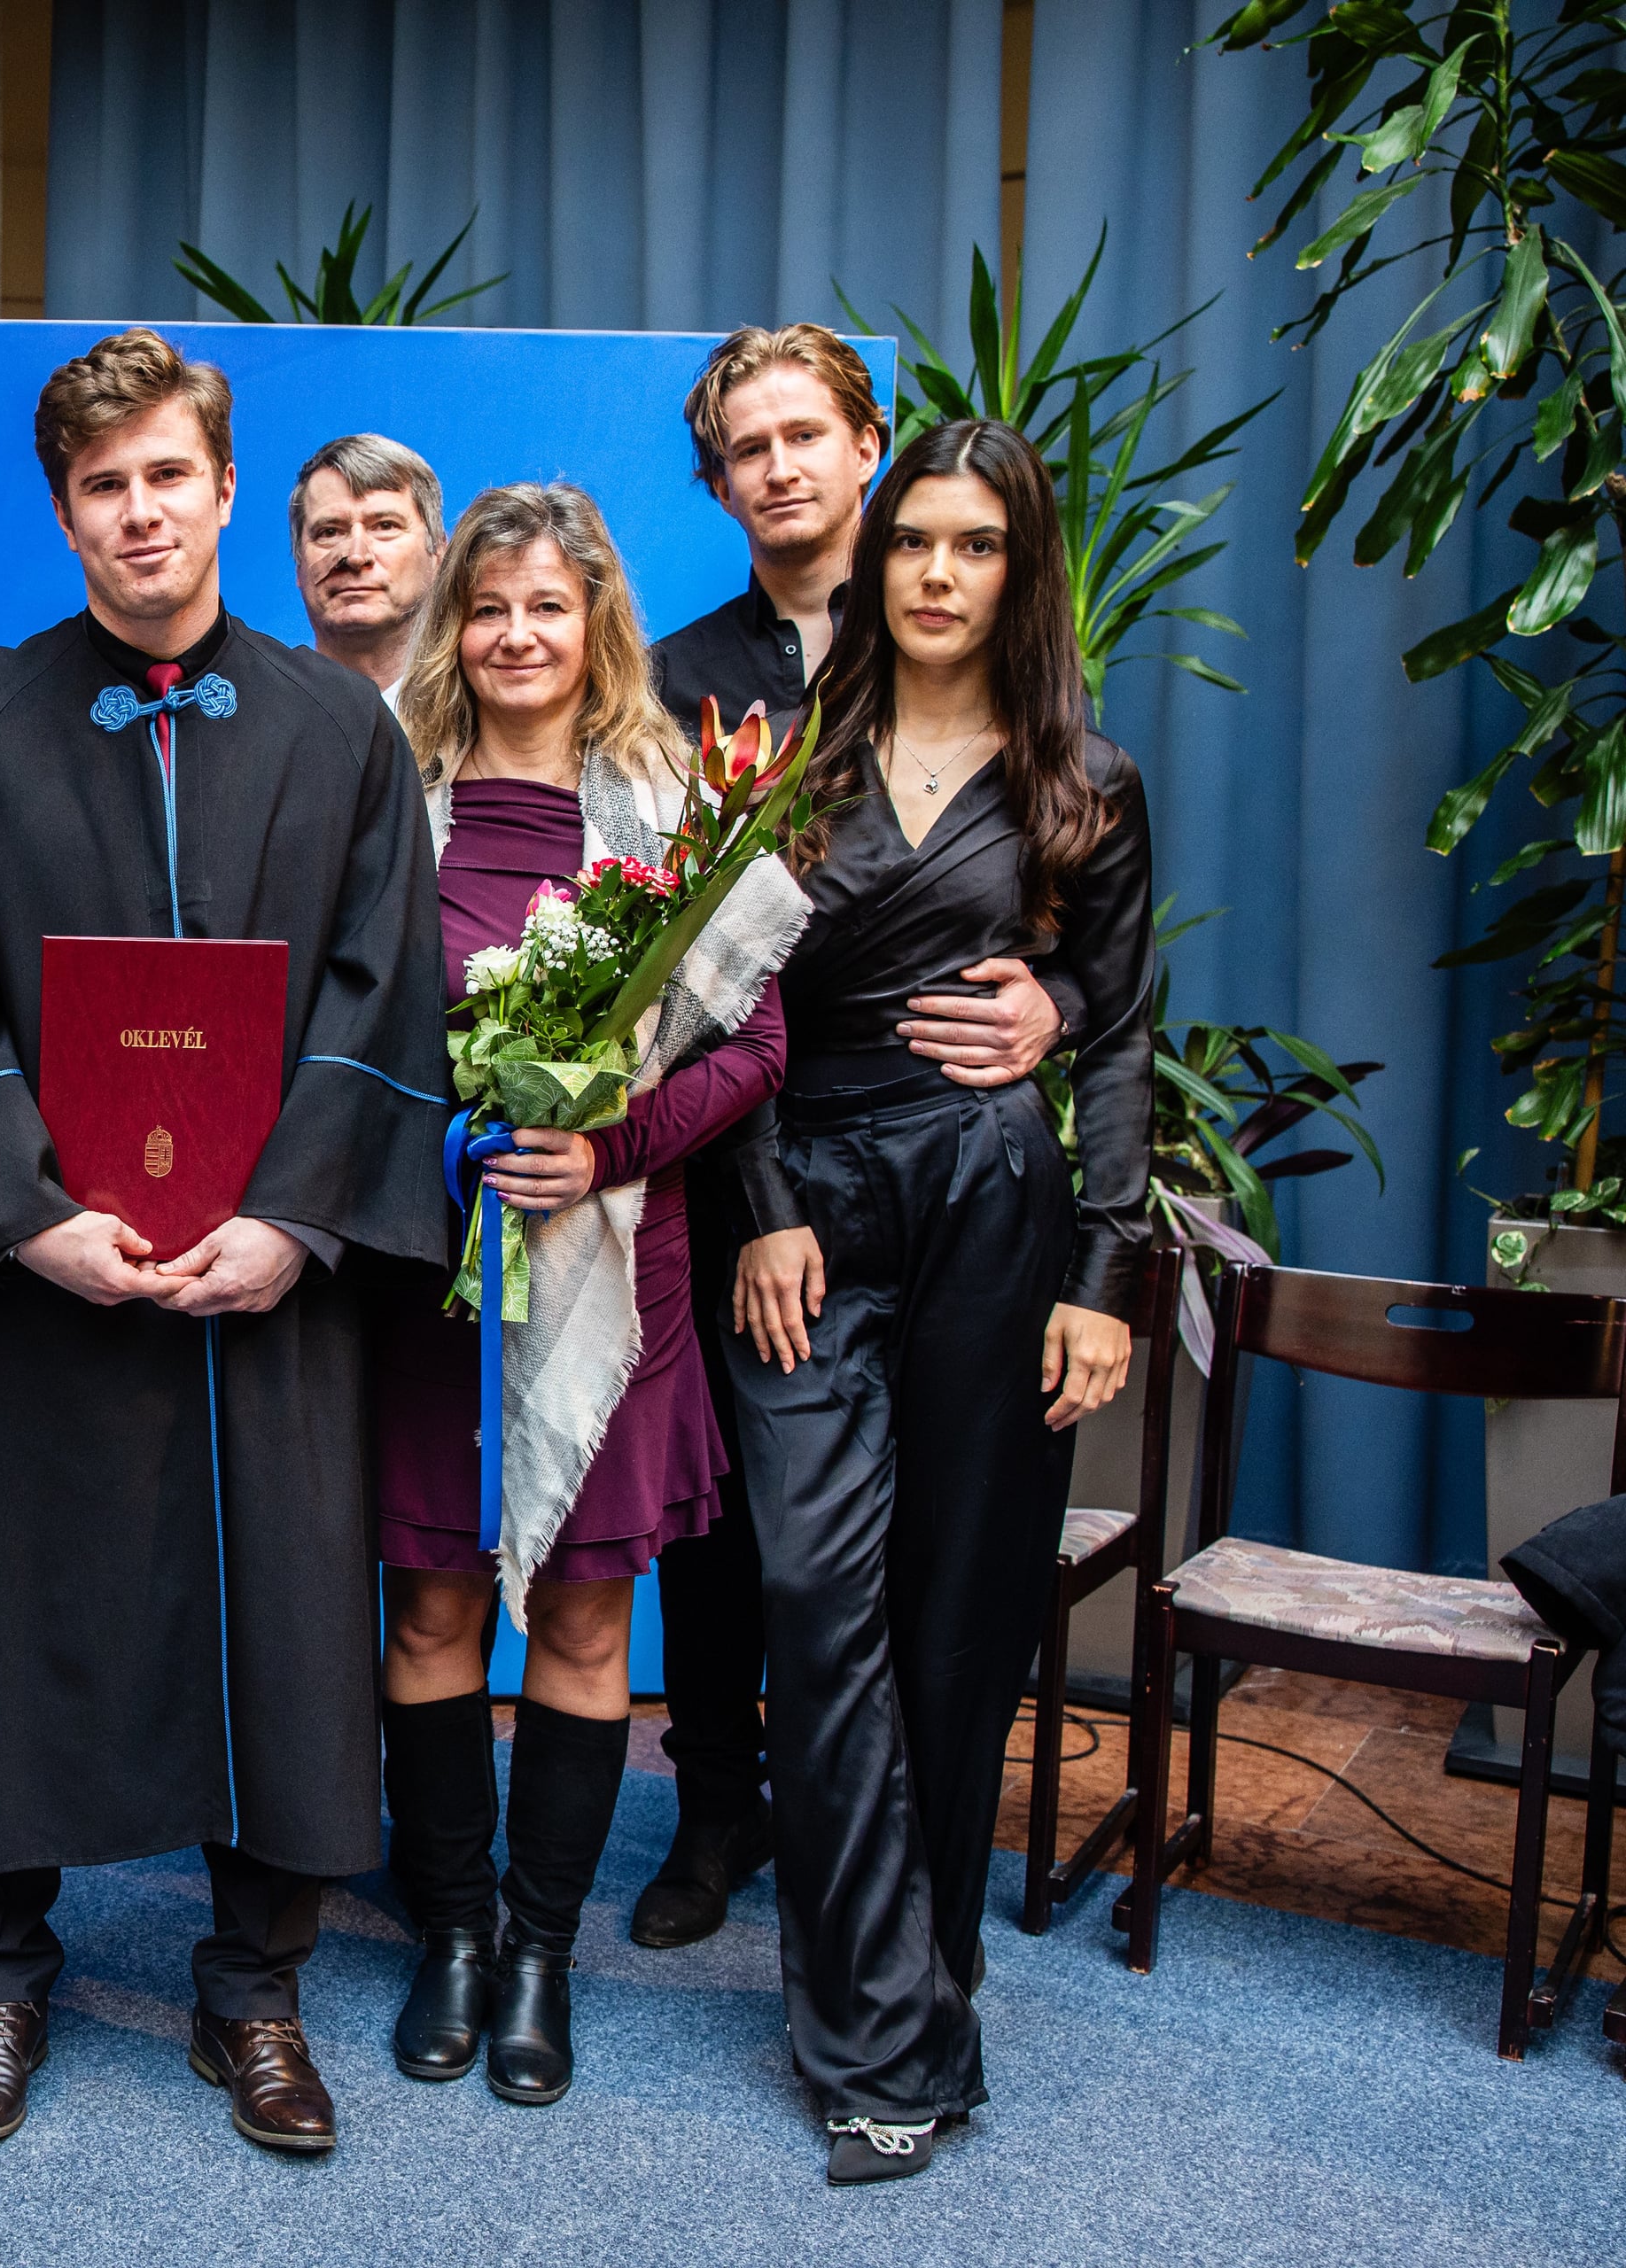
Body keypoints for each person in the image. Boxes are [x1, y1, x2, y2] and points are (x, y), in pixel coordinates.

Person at [0, 329, 447, 2155]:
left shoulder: (340, 729)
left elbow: (382, 991)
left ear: (223, 488)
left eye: (168, 475)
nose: (139, 512)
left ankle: (254, 1990)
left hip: (270, 1281)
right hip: (49, 1273)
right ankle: (1, 1975)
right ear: (64, 512)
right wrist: (30, 1214)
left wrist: (296, 1218)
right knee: (23, 1601)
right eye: (102, 485)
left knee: (282, 1620)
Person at [723, 417, 1152, 2186]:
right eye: (912, 540)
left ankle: (897, 2010)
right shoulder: (779, 764)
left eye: (976, 545)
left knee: (958, 1614)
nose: (937, 573)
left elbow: (1119, 1031)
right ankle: (894, 2013)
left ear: (1018, 569)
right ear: (874, 557)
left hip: (992, 1201)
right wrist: (756, 1209)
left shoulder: (1086, 786)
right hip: (807, 1213)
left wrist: (1105, 1275)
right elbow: (720, 1007)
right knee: (817, 1601)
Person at [633, 325, 1070, 1952]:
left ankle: (880, 1855)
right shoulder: (677, 678)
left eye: (804, 435)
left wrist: (1060, 1005)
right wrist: (755, 1194)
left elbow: (1066, 905)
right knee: (730, 1522)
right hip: (740, 1154)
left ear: (868, 445)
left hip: (939, 1171)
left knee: (911, 1542)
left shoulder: (994, 670)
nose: (780, 469)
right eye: (746, 448)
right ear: (718, 482)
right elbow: (679, 955)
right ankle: (717, 1811)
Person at [373, 484, 795, 2110]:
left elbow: (756, 1046)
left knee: (586, 1615)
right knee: (431, 1608)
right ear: (453, 625)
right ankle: (453, 1932)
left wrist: (603, 1142)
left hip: (620, 1271)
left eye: (547, 605)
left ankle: (541, 1950)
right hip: (434, 1273)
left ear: (596, 620)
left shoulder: (676, 808)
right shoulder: (389, 793)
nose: (516, 636)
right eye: (488, 608)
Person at [289, 433, 443, 705]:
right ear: (298, 564)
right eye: (329, 532)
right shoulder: (256, 714)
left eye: (385, 526)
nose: (356, 556)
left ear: (439, 555)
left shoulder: (494, 717)